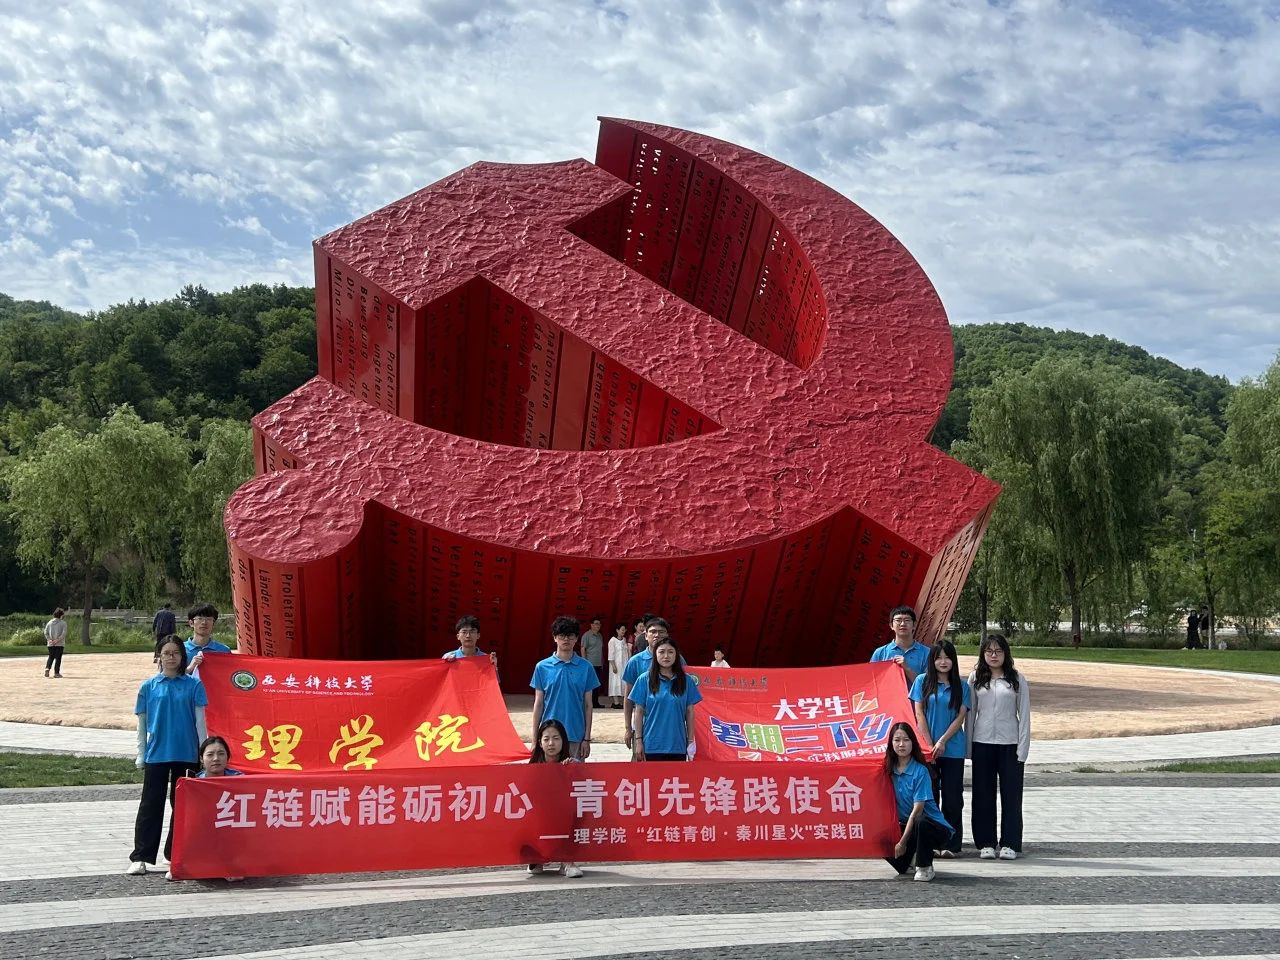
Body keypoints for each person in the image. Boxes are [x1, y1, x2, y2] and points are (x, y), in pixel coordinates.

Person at [127, 636, 208, 877]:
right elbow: (142, 725)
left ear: (182, 656)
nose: (171, 657)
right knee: (150, 806)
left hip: (187, 754)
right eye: (166, 653)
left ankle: (174, 854)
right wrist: (141, 753)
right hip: (157, 754)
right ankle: (141, 856)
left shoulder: (193, 685)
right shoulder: (148, 687)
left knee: (182, 806)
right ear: (159, 656)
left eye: (175, 653)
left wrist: (203, 753)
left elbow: (200, 723)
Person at [967, 633, 1031, 861]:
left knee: (1011, 795)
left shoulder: (1016, 679)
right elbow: (970, 714)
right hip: (982, 742)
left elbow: (1024, 715)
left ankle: (1010, 843)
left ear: (1006, 653)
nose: (993, 655)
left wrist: (1023, 749)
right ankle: (985, 842)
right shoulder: (975, 678)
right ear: (983, 654)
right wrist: (968, 747)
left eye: (998, 651)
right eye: (989, 651)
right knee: (982, 795)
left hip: (1010, 743)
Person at [909, 639, 969, 856]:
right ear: (932, 661)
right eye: (938, 658)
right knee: (930, 797)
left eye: (947, 657)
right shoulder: (922, 681)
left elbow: (960, 717)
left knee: (953, 798)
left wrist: (942, 741)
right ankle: (931, 843)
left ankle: (951, 844)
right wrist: (929, 745)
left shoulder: (962, 686)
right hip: (927, 751)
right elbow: (919, 713)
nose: (943, 662)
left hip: (953, 749)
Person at [884, 722, 952, 882]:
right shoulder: (888, 770)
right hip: (908, 827)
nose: (901, 744)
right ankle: (912, 858)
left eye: (906, 740)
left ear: (913, 743)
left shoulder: (920, 771)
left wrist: (902, 842)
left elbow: (917, 812)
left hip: (934, 828)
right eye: (897, 740)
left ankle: (925, 866)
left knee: (921, 822)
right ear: (891, 743)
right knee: (882, 838)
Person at [530, 616, 598, 759]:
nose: (566, 639)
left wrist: (586, 739)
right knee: (548, 773)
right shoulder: (542, 667)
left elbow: (588, 705)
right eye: (562, 635)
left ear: (576, 638)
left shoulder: (586, 667)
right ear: (555, 638)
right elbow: (538, 704)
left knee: (575, 773)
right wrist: (535, 739)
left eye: (570, 635)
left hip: (575, 735)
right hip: (549, 736)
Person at [526, 718, 583, 878]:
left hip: (564, 818)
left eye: (556, 738)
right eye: (546, 739)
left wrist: (574, 771)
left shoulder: (572, 764)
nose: (551, 743)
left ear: (563, 741)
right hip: (540, 819)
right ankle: (537, 858)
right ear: (540, 742)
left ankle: (567, 862)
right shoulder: (532, 768)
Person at [629, 636, 702, 761]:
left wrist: (690, 741)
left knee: (676, 775)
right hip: (652, 745)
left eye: (670, 652)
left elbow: (690, 712)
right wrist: (639, 741)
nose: (666, 656)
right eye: (661, 652)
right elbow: (639, 712)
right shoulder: (644, 680)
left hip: (677, 745)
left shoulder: (686, 681)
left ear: (676, 655)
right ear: (655, 655)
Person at [622, 617, 685, 755]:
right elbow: (628, 698)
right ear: (645, 635)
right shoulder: (635, 661)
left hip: (672, 728)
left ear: (667, 635)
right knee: (641, 763)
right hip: (644, 727)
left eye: (661, 632)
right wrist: (628, 728)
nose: (657, 635)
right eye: (653, 632)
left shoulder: (678, 660)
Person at [870, 606, 929, 686]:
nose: (902, 624)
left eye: (907, 620)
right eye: (898, 620)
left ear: (914, 625)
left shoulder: (927, 653)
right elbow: (872, 682)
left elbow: (928, 686)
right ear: (891, 625)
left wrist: (907, 668)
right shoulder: (880, 652)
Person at [184, 603, 231, 679]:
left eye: (209, 619)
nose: (204, 622)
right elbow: (171, 678)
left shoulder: (224, 651)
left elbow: (230, 676)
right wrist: (190, 668)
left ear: (213, 623)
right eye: (200, 618)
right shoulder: (180, 649)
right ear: (191, 623)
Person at [580, 616, 605, 708]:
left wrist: (602, 662)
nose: (598, 626)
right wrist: (584, 662)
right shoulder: (587, 635)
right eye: (596, 624)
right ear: (591, 625)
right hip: (590, 664)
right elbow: (583, 649)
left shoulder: (600, 636)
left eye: (599, 624)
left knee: (596, 684)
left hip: (598, 664)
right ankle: (587, 703)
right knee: (590, 685)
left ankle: (595, 702)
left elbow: (600, 650)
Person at [607, 623, 629, 708]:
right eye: (622, 629)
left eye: (624, 630)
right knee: (615, 682)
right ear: (617, 630)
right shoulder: (612, 640)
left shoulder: (624, 640)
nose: (623, 631)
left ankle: (623, 702)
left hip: (624, 665)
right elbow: (611, 655)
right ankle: (616, 703)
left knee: (623, 682)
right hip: (615, 665)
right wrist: (613, 666)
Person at [43, 607, 67, 678]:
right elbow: (63, 633)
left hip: (50, 644)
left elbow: (45, 632)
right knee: (58, 658)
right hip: (60, 644)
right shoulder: (63, 623)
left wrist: (49, 640)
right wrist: (57, 640)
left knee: (51, 657)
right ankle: (56, 673)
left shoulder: (49, 622)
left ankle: (47, 668)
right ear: (61, 615)